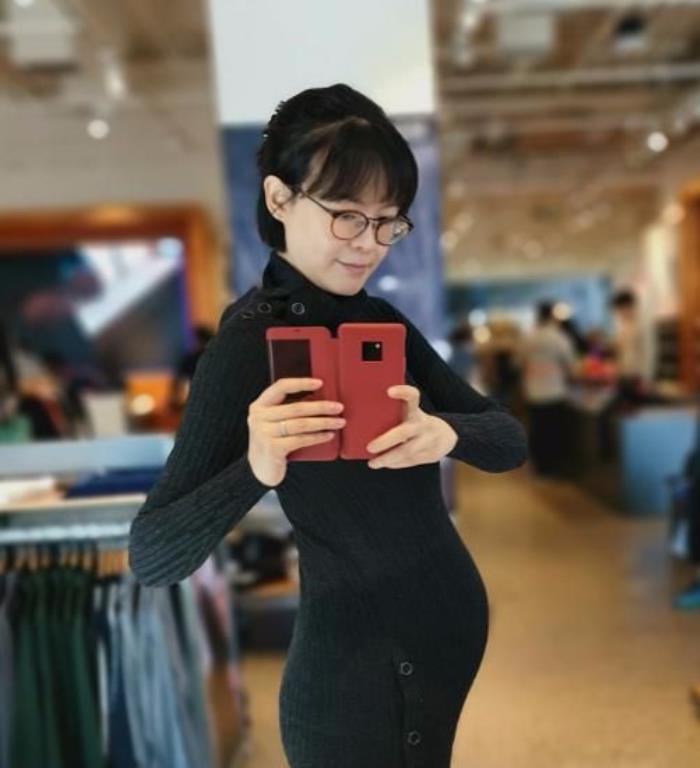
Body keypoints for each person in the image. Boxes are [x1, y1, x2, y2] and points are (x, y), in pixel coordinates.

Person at [128, 83, 527, 767]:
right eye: (346, 216)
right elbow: (153, 556)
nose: (368, 245)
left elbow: (509, 440)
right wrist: (255, 468)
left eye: (387, 222)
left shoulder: (381, 322)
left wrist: (445, 433)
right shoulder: (247, 346)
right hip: (352, 662)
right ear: (279, 198)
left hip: (441, 634)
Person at [518, 300, 578, 477]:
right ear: (552, 316)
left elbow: (518, 363)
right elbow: (571, 363)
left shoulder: (529, 338)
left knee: (537, 428)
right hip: (555, 390)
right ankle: (553, 466)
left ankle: (539, 465)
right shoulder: (558, 337)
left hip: (533, 391)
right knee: (555, 430)